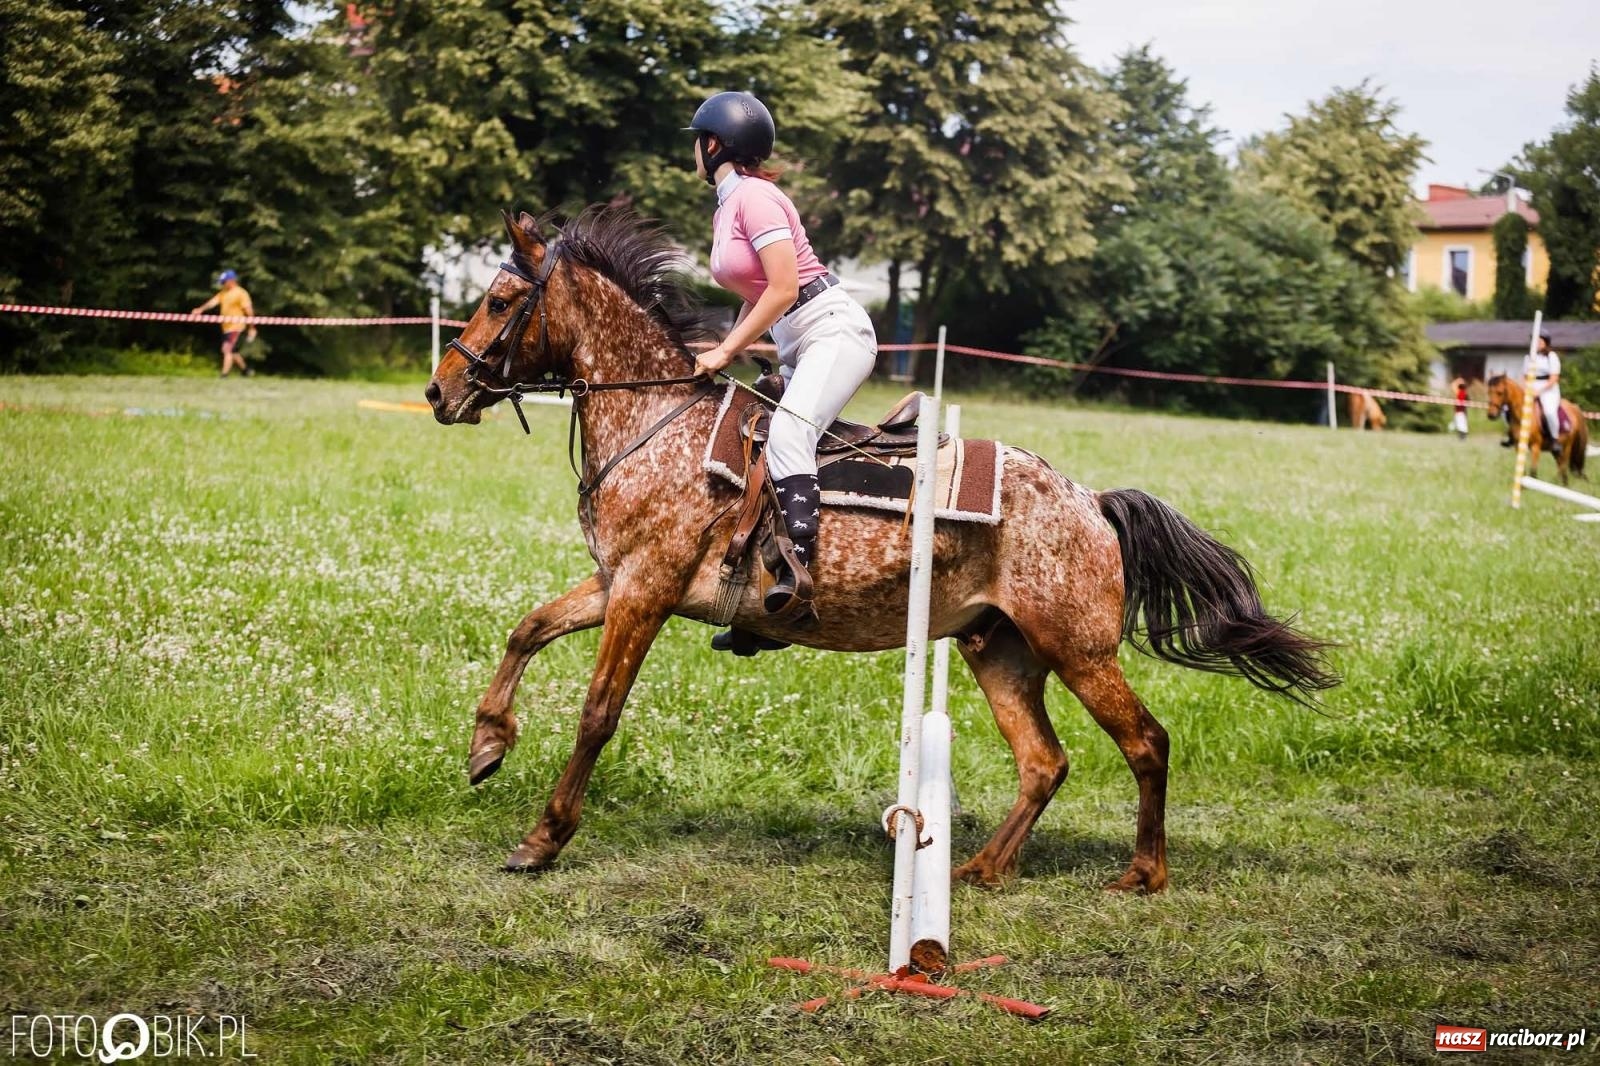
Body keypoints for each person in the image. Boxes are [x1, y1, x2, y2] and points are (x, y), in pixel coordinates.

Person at [686, 91, 878, 631]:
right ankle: (758, 599)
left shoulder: (756, 199)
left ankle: (797, 587)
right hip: (800, 337)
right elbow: (757, 291)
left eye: (697, 141)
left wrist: (727, 350)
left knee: (790, 435)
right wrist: (727, 343)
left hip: (832, 331)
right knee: (755, 437)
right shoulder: (728, 205)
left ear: (714, 144)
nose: (693, 151)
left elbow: (785, 287)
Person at [192, 269, 256, 376]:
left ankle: (224, 375)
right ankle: (246, 371)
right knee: (233, 351)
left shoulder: (241, 293)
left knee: (226, 349)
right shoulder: (223, 293)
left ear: (231, 281)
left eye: (224, 282)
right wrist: (200, 309)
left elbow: (249, 310)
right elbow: (213, 302)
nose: (222, 284)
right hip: (226, 327)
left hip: (236, 326)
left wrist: (252, 327)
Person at [1528, 330, 1563, 446]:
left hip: (1548, 389)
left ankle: (1554, 438)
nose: (1537, 344)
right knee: (1508, 407)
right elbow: (1524, 376)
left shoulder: (1551, 356)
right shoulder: (1529, 357)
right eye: (1535, 341)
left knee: (1549, 412)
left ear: (1545, 342)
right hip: (1531, 387)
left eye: (1539, 341)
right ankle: (1512, 434)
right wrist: (1526, 388)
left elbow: (1554, 378)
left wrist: (1539, 391)